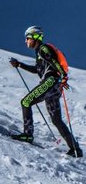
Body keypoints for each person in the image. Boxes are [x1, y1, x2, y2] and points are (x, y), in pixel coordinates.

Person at [9, 26, 83, 158]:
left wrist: (62, 76)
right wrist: (19, 64)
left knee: (26, 101)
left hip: (50, 82)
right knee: (56, 120)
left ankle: (27, 135)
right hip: (55, 86)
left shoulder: (43, 49)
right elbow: (37, 70)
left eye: (27, 38)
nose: (26, 41)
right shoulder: (40, 53)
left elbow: (54, 63)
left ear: (34, 37)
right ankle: (75, 149)